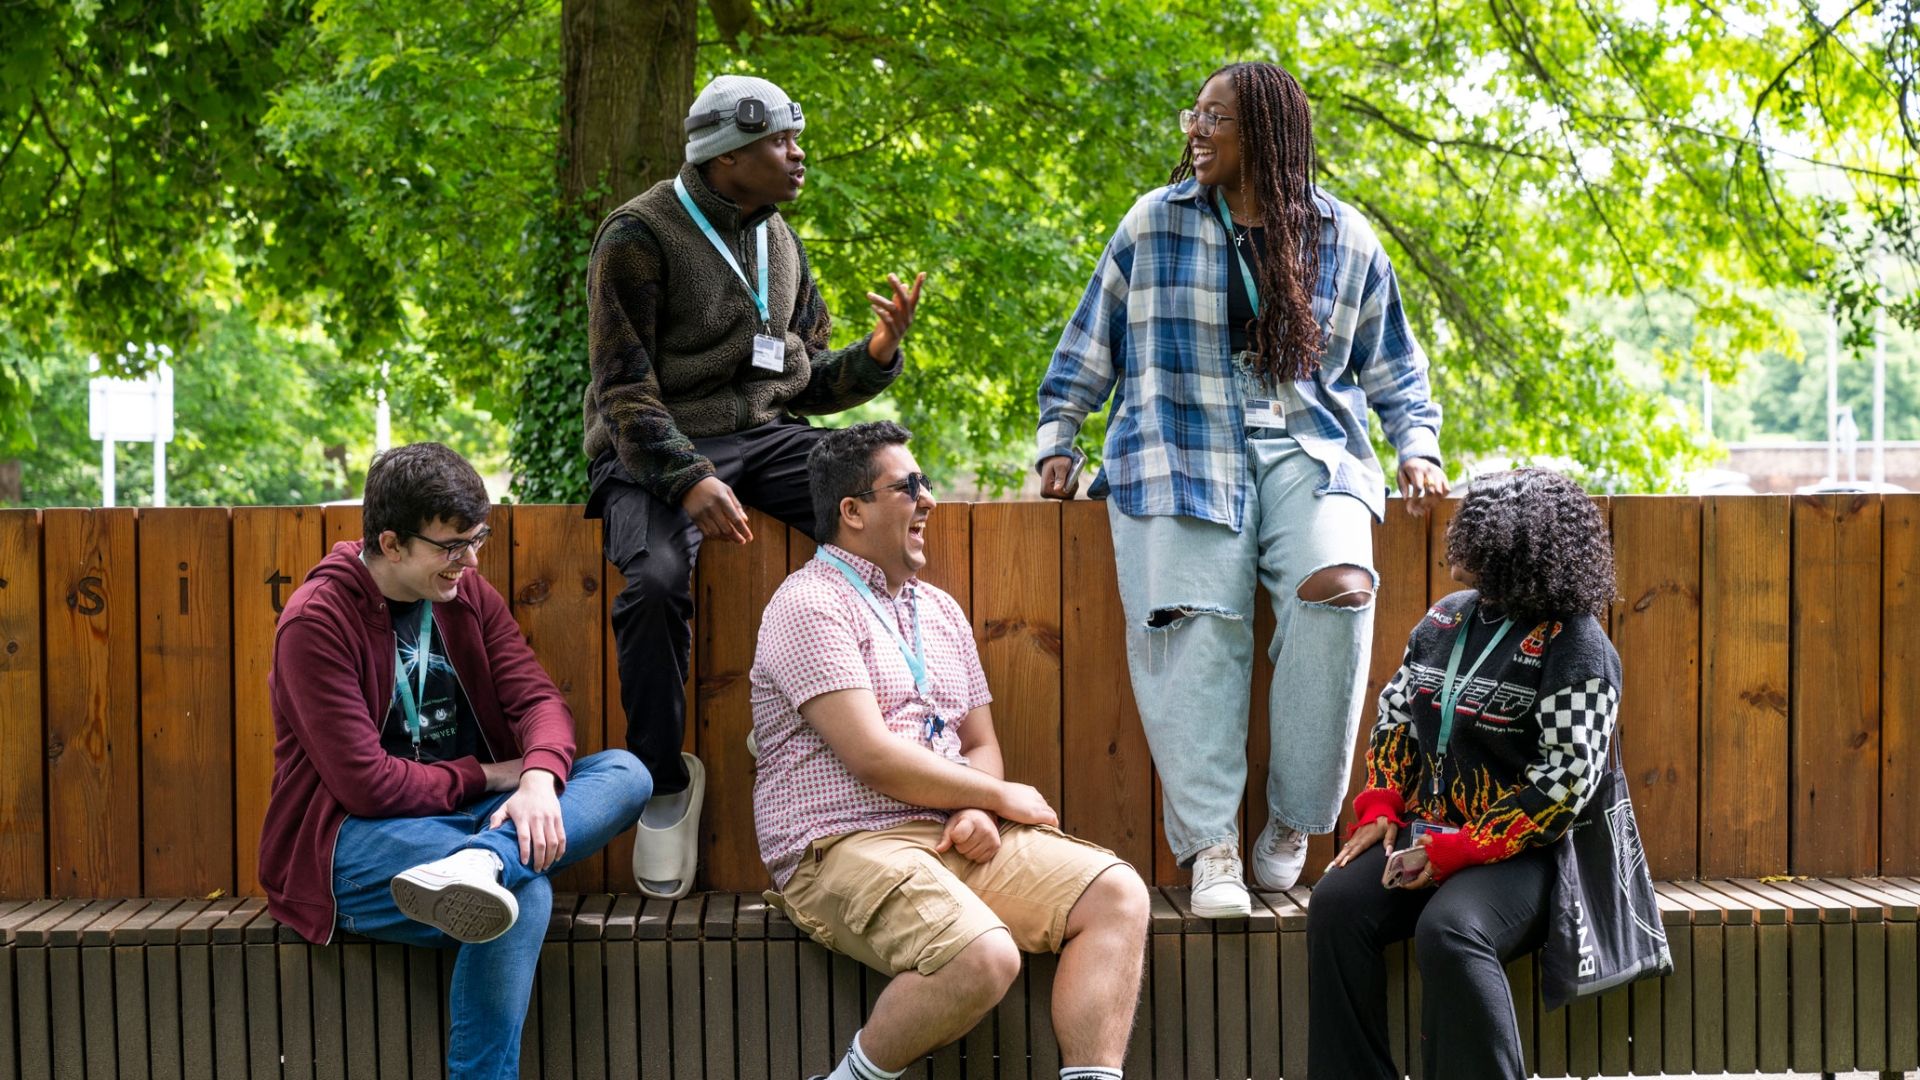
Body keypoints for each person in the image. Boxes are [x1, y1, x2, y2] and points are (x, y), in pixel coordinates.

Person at [1033, 60, 1447, 917]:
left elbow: (1394, 362)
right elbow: (1090, 339)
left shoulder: (1344, 236)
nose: (1195, 129)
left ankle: (1294, 820)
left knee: (1341, 589)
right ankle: (1211, 847)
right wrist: (1057, 441)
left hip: (1310, 446)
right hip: (1177, 448)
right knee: (1195, 626)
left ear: (1263, 131)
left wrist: (1418, 445)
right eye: (1196, 113)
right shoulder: (1154, 223)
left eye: (1214, 117)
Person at [583, 73, 925, 898]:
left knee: (888, 500)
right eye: (781, 142)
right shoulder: (636, 234)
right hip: (650, 447)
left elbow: (800, 385)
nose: (798, 156)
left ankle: (849, 730)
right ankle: (664, 779)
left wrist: (878, 354)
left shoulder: (783, 244)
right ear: (728, 157)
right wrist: (688, 475)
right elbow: (623, 391)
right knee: (659, 582)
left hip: (765, 440)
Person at [750, 422, 1151, 1080]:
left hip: (951, 836)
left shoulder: (936, 609)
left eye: (927, 482)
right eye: (909, 486)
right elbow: (872, 757)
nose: (929, 498)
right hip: (841, 845)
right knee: (982, 956)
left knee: (1118, 893)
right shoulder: (808, 604)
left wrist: (980, 813)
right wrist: (996, 795)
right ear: (852, 512)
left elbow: (978, 741)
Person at [258, 442, 653, 1080]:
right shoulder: (316, 622)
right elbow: (366, 785)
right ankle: (489, 865)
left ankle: (482, 862)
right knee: (522, 894)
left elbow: (540, 701)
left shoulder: (466, 593)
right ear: (391, 543)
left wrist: (537, 778)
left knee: (627, 774)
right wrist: (496, 776)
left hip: (470, 825)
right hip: (352, 842)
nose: (469, 561)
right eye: (451, 546)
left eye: (477, 540)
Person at [1308, 468, 1622, 1080]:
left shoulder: (1578, 648)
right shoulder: (1447, 618)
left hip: (1530, 857)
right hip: (1429, 833)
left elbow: (1564, 787)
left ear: (1521, 553)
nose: (1459, 551)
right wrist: (1380, 809)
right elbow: (1397, 713)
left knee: (1450, 928)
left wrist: (1458, 851)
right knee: (1335, 905)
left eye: (1479, 542)